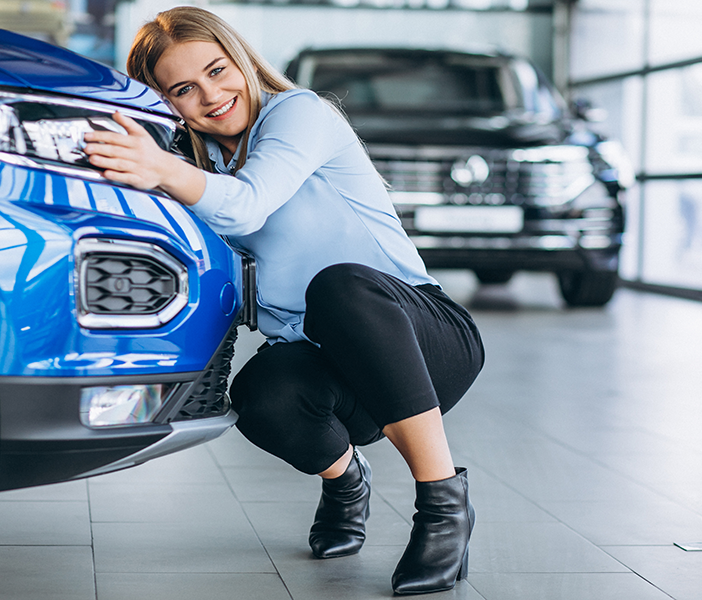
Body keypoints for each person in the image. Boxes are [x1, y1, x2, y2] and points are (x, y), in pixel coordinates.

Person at [82, 7, 484, 595]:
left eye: (218, 71)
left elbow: (247, 204)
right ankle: (347, 480)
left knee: (339, 286)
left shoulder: (300, 114)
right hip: (323, 355)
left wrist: (162, 170)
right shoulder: (196, 167)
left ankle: (444, 508)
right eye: (184, 89)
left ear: (241, 58)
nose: (212, 95)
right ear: (165, 103)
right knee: (260, 395)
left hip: (421, 336)